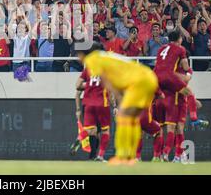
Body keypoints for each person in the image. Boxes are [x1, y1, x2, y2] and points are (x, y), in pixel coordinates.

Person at [78, 42, 159, 165]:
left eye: (78, 54)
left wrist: (119, 102)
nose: (78, 58)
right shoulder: (106, 57)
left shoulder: (93, 60)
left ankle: (124, 157)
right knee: (131, 120)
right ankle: (129, 157)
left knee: (124, 118)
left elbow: (108, 83)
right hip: (147, 77)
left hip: (139, 82)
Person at [153, 30, 195, 162]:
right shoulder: (180, 49)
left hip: (156, 78)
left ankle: (163, 155)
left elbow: (157, 65)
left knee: (166, 126)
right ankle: (194, 117)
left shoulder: (160, 49)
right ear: (179, 39)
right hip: (170, 79)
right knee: (189, 93)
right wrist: (188, 73)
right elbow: (186, 66)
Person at [75, 64, 115, 162]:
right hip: (101, 104)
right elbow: (111, 91)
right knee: (102, 131)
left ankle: (83, 144)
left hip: (88, 105)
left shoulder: (88, 73)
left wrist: (78, 109)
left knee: (92, 131)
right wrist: (114, 106)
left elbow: (77, 91)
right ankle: (97, 156)